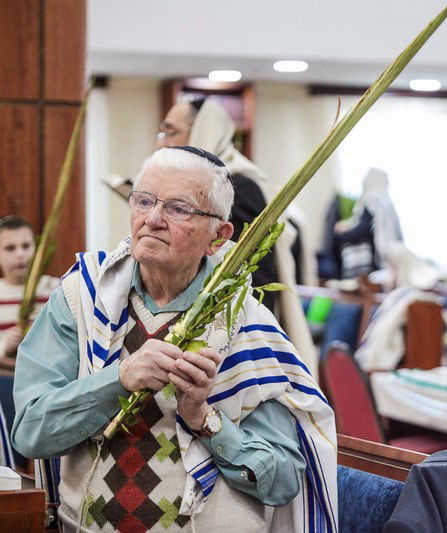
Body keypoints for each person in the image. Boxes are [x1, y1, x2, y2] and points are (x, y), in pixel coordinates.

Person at [12, 147, 336, 531]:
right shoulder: (81, 297)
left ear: (219, 235)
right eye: (144, 200)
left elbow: (282, 482)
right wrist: (118, 379)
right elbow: (30, 433)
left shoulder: (246, 324)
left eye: (178, 208)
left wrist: (204, 419)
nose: (152, 219)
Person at [158, 98, 316, 372]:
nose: (162, 144)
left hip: (233, 342)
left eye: (170, 132)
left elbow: (256, 281)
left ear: (202, 132)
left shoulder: (237, 188)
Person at [0, 215, 59, 358]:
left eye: (26, 246)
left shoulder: (55, 288)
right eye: (10, 248)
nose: (20, 254)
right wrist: (4, 345)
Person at [334, 168, 404, 279]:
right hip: (391, 256)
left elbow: (362, 229)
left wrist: (341, 235)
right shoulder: (386, 201)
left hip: (377, 258)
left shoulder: (372, 200)